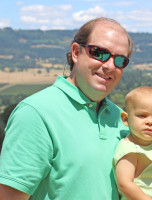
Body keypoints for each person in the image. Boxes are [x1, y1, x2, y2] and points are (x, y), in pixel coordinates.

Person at [0, 17, 133, 200]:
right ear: (76, 53)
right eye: (99, 52)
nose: (110, 65)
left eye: (120, 60)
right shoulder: (35, 113)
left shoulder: (122, 119)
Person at [113, 86, 152, 200]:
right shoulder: (129, 148)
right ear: (125, 119)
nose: (149, 122)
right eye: (142, 115)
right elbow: (124, 184)